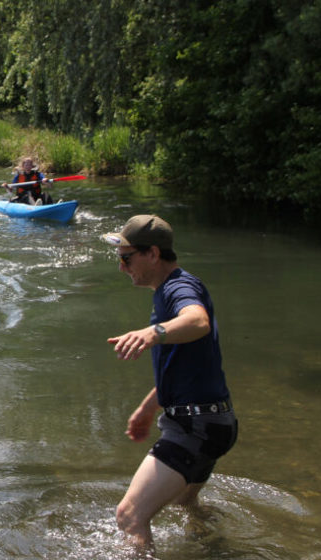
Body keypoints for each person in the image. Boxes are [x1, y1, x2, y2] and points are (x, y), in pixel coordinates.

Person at [102, 215, 237, 549]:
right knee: (186, 506)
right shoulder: (169, 290)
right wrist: (148, 409)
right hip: (214, 422)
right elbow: (184, 367)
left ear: (153, 254)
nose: (122, 267)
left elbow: (198, 321)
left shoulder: (179, 287)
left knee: (130, 516)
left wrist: (152, 332)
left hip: (196, 426)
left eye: (126, 257)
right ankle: (219, 551)